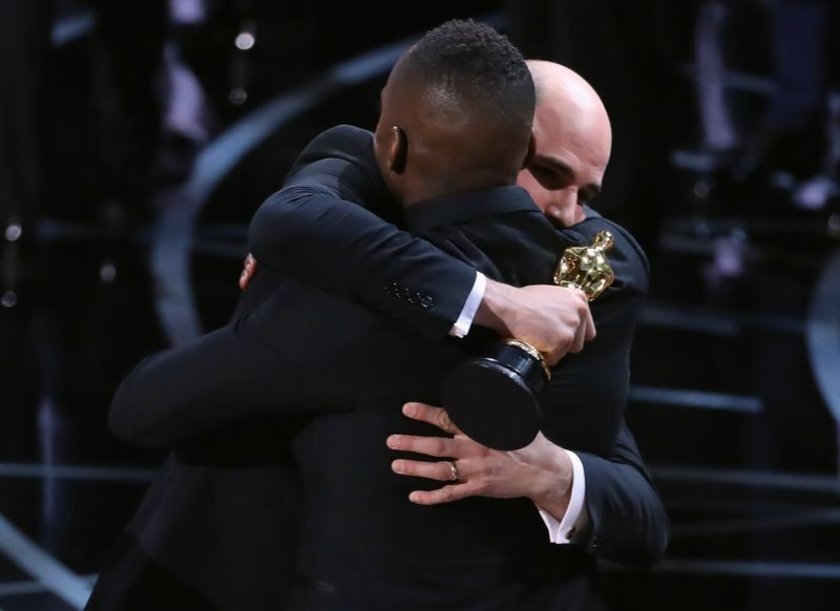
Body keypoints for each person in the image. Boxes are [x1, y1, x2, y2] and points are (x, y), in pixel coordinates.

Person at [89, 23, 666, 611]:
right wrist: (489, 299)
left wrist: (555, 474)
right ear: (501, 145)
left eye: (588, 197)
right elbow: (302, 213)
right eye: (548, 174)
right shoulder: (577, 291)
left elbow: (141, 407)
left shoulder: (573, 291)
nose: (567, 217)